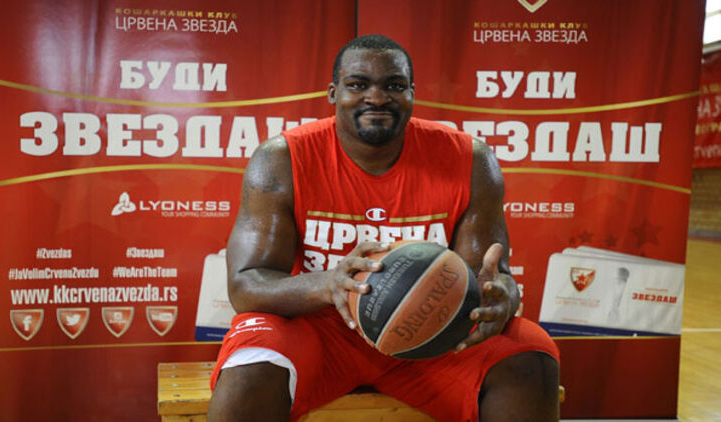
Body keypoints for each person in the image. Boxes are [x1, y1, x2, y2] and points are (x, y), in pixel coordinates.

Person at [207, 34, 560, 422]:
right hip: (320, 327)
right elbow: (246, 285)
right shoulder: (282, 158)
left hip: (431, 330)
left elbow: (493, 276)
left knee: (530, 356)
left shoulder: (469, 159)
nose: (376, 98)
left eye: (394, 85)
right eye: (358, 84)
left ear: (412, 94)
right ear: (333, 93)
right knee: (252, 367)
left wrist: (501, 296)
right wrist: (328, 284)